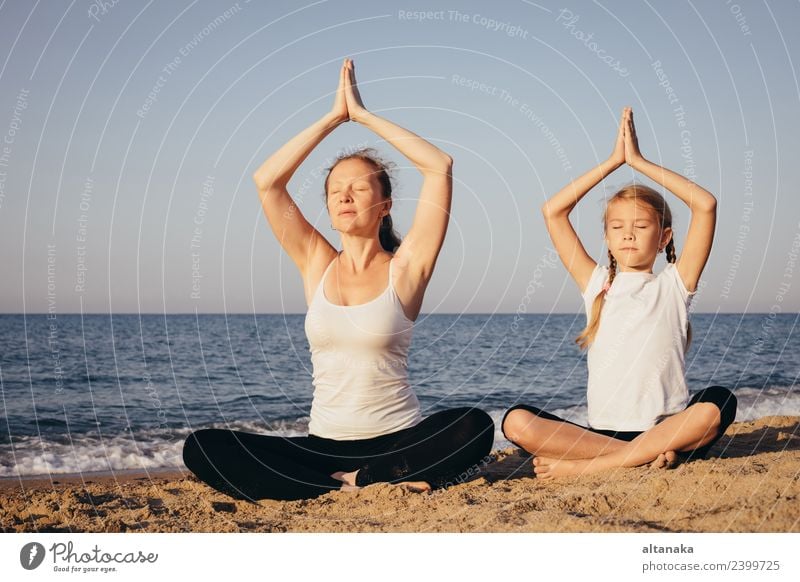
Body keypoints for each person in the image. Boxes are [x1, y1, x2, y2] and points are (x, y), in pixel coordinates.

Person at [182, 58, 494, 501]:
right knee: (202, 448)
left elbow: (438, 165)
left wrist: (362, 115)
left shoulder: (406, 268)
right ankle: (349, 483)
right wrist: (332, 118)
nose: (345, 195)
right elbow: (267, 182)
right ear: (328, 210)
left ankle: (358, 481)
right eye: (335, 190)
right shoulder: (316, 262)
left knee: (475, 425)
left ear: (385, 205)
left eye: (360, 187)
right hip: (322, 447)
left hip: (398, 441)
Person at [501, 107, 736, 479]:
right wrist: (613, 162)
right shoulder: (596, 285)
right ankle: (641, 456)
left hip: (666, 428)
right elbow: (553, 212)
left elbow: (705, 205)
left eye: (641, 226)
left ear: (663, 238)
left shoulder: (674, 284)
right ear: (607, 239)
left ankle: (598, 467)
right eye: (618, 226)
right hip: (607, 434)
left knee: (718, 403)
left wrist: (639, 162)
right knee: (516, 422)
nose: (628, 234)